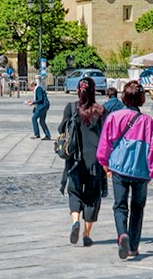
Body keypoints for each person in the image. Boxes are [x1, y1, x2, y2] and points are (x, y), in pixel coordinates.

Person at [97, 80, 153, 260]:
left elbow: (105, 142)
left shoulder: (114, 117)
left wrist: (104, 162)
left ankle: (122, 235)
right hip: (141, 171)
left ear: (124, 97)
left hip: (119, 168)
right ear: (142, 98)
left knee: (119, 206)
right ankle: (133, 247)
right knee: (137, 208)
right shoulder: (148, 122)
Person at [59, 77, 109, 246]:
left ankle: (75, 221)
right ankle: (86, 234)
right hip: (95, 159)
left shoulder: (71, 108)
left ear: (78, 90)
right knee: (92, 196)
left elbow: (61, 130)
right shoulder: (101, 111)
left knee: (74, 192)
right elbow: (106, 136)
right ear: (94, 91)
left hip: (75, 158)